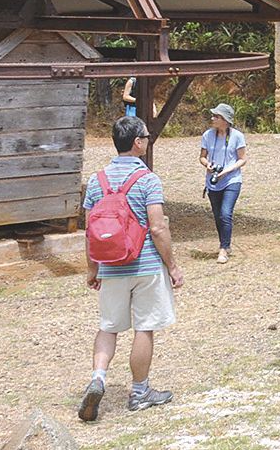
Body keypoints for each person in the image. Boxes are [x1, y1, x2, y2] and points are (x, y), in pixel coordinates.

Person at [77, 116, 184, 422]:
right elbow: (158, 227)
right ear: (137, 142)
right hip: (146, 264)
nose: (147, 141)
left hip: (110, 267)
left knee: (108, 327)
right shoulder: (148, 179)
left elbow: (90, 230)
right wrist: (173, 266)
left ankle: (98, 377)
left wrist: (92, 269)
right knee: (144, 327)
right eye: (146, 137)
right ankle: (140, 392)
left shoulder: (97, 180)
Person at [199, 103, 247, 265]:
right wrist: (207, 165)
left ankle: (223, 248)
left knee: (226, 214)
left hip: (231, 180)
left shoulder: (237, 136)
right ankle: (225, 244)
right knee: (218, 215)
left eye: (216, 116)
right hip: (213, 181)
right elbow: (202, 157)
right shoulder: (207, 135)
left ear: (225, 120)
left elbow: (242, 159)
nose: (212, 119)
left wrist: (226, 171)